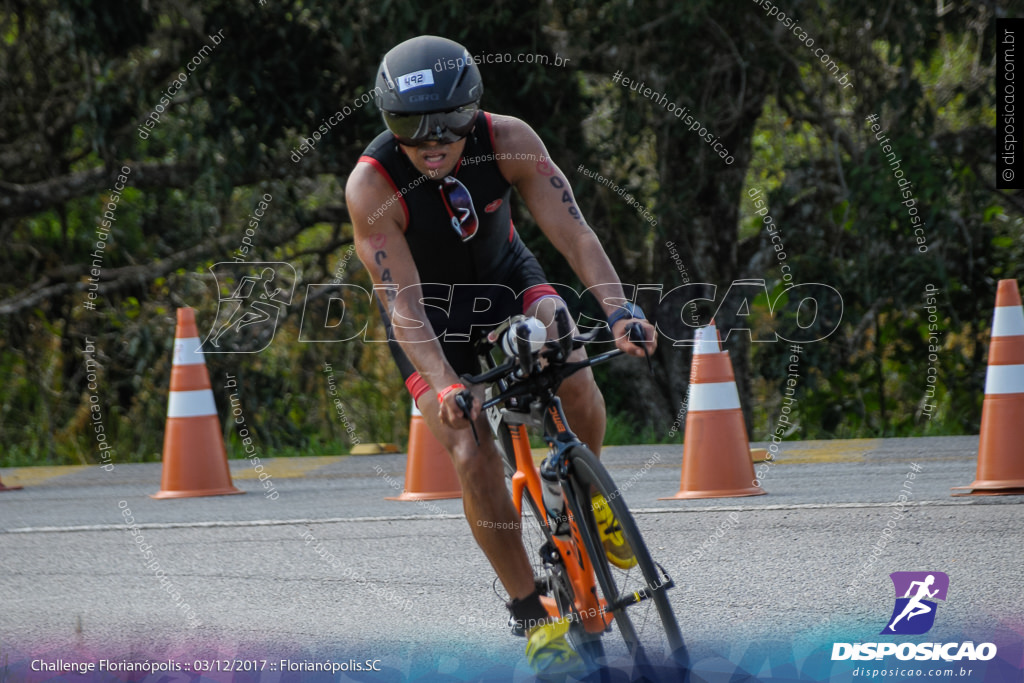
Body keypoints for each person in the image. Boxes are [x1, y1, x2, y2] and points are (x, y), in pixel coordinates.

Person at [345, 35, 657, 673]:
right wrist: (450, 387)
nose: (432, 141)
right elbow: (403, 304)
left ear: (475, 110)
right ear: (387, 123)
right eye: (410, 126)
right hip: (428, 315)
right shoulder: (370, 185)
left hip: (504, 274)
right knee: (467, 443)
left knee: (567, 344)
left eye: (450, 124)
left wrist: (621, 309)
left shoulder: (511, 138)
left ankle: (583, 498)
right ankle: (530, 611)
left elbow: (572, 230)